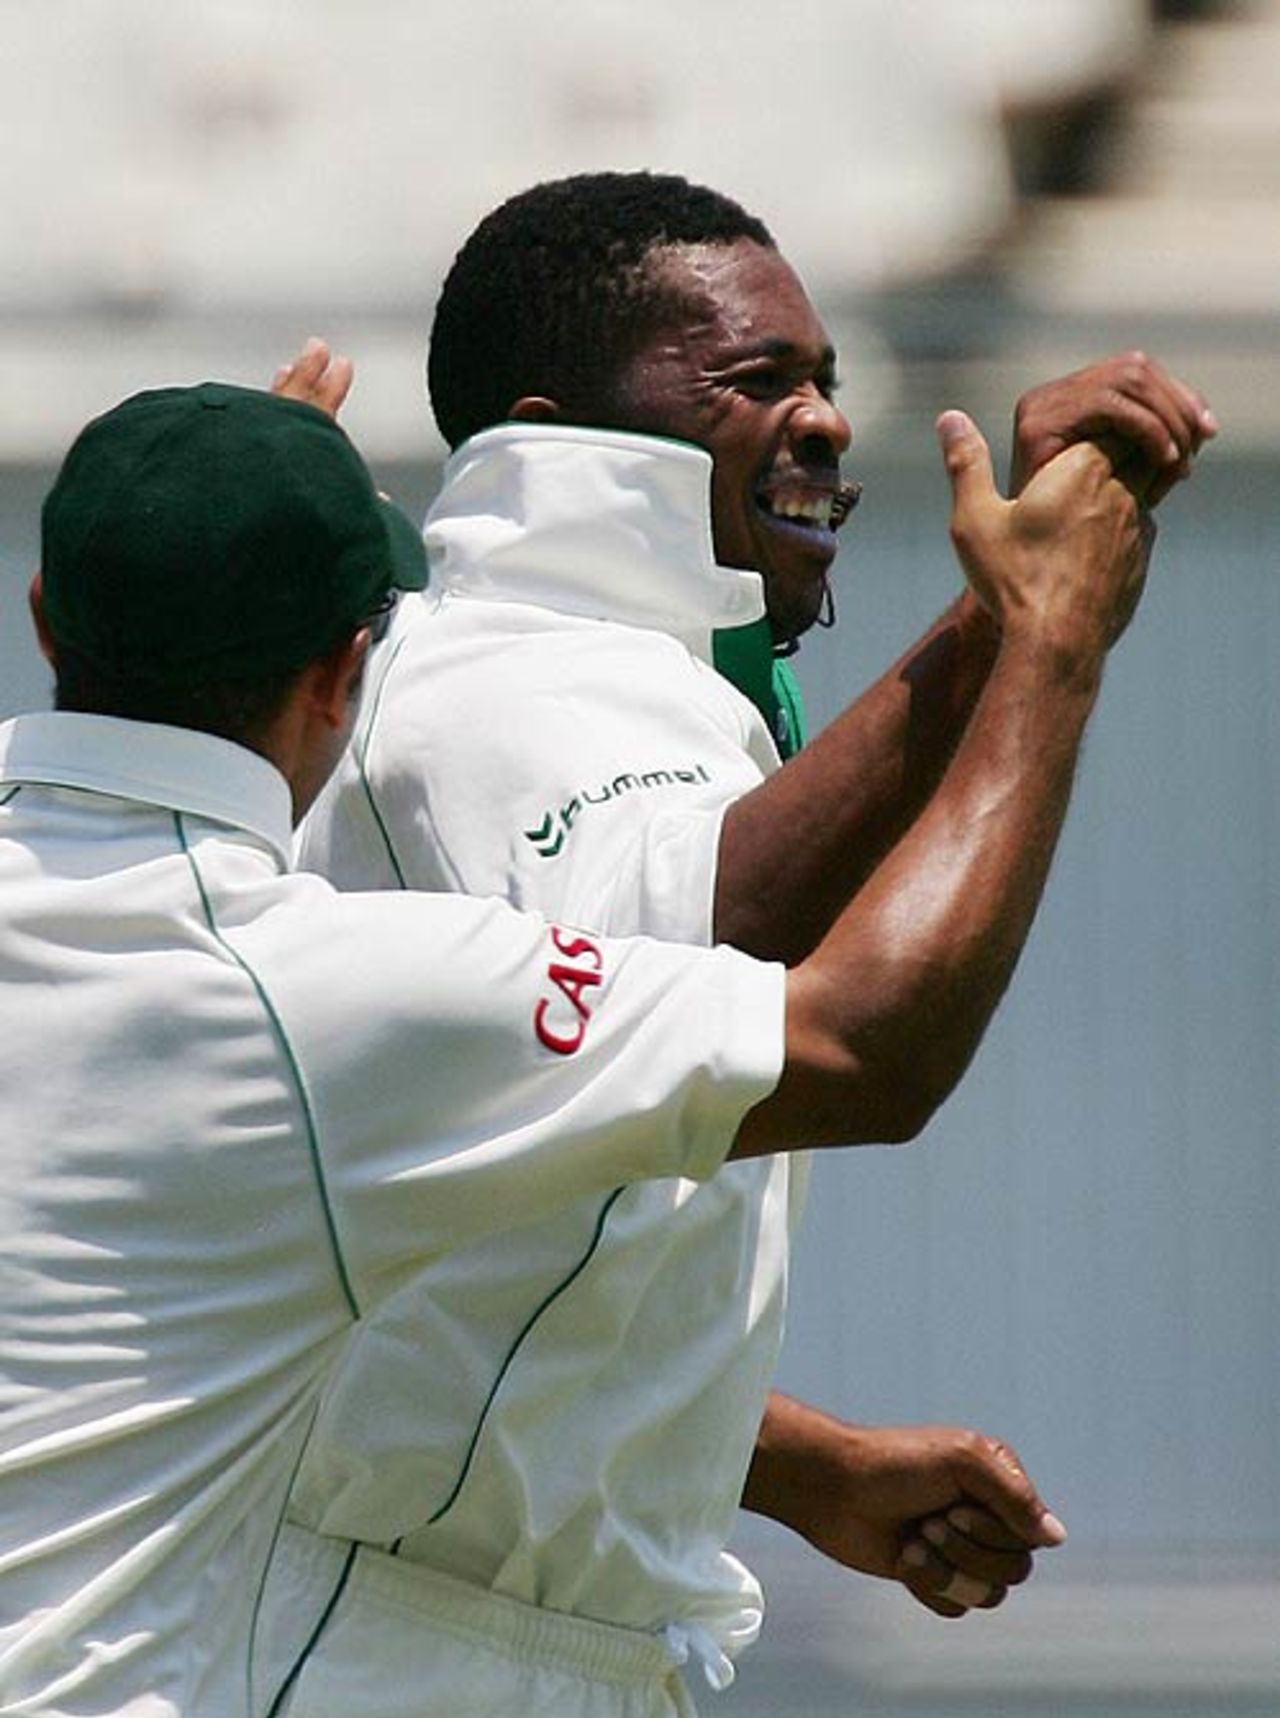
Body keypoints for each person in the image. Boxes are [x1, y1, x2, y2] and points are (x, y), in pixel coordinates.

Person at [0, 379, 1107, 1717]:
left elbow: (137, 1330)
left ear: (47, 612)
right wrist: (1047, 640)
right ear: (346, 671)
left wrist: (801, 1468)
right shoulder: (322, 996)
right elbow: (861, 1045)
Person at [272, 173, 1212, 1711]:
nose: (827, 419)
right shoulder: (500, 687)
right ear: (558, 428)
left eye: (829, 379)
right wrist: (1029, 635)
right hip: (390, 1654)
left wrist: (793, 1462)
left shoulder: (604, 685)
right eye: (756, 378)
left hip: (458, 1639)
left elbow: (495, 1265)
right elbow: (756, 978)